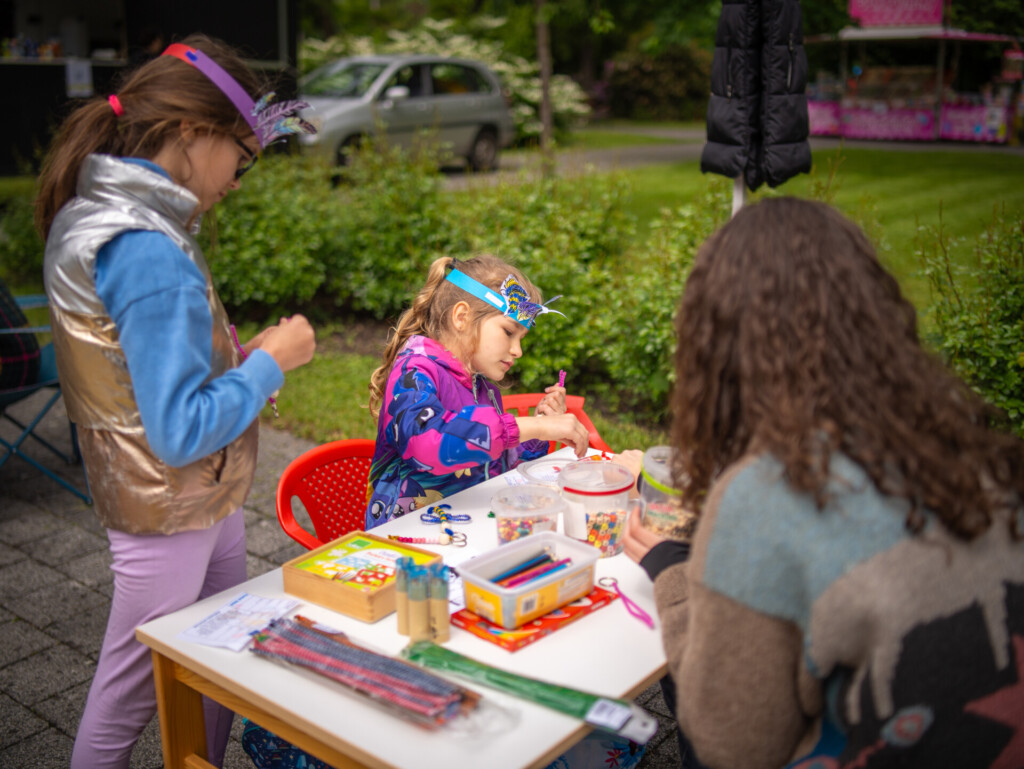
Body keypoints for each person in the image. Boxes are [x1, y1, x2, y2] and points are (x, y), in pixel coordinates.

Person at [623, 196, 1024, 769]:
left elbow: (734, 744)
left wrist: (675, 573)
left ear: (716, 347)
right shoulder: (970, 441)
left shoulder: (764, 491)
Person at [35, 34, 317, 769]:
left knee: (217, 662)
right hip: (169, 506)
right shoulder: (146, 244)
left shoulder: (114, 218)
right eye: (241, 156)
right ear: (191, 131)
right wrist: (273, 365)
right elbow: (178, 429)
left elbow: (144, 377)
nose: (239, 179)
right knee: (129, 695)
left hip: (197, 499)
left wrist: (242, 361)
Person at [364, 253, 591, 528]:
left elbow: (502, 469)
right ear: (462, 317)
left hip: (463, 527)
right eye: (509, 332)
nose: (518, 350)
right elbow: (426, 442)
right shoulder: (414, 372)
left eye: (521, 338)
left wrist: (538, 432)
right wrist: (534, 427)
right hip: (403, 535)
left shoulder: (483, 389)